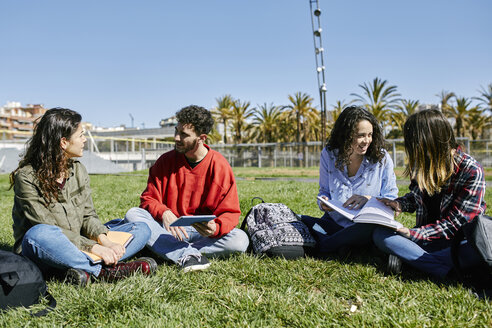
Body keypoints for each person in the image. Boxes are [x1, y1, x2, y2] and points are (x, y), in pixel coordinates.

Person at [11, 108, 156, 286]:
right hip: (47, 248)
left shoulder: (78, 169)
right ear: (63, 142)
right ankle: (103, 271)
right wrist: (94, 247)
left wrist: (106, 242)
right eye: (81, 135)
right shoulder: (26, 177)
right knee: (38, 234)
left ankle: (81, 268)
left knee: (141, 228)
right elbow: (46, 226)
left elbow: (88, 215)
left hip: (80, 244)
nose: (85, 140)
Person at [125, 105, 249, 272]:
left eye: (184, 135)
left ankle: (166, 249)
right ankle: (183, 252)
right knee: (133, 214)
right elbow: (148, 199)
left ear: (201, 138)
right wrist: (164, 212)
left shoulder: (220, 166)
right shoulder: (165, 161)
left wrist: (216, 228)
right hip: (167, 229)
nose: (176, 138)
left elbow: (230, 212)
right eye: (176, 131)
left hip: (201, 233)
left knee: (240, 240)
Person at [373, 109, 486, 278]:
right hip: (426, 240)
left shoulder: (470, 170)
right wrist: (399, 204)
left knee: (471, 252)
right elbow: (416, 198)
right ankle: (434, 265)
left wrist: (412, 234)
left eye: (414, 142)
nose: (411, 148)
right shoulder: (423, 164)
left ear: (430, 140)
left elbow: (456, 224)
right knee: (381, 235)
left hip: (458, 242)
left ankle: (417, 261)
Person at [301, 106, 398, 255]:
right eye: (361, 135)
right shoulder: (329, 154)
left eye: (370, 135)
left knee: (366, 230)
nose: (367, 141)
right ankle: (347, 245)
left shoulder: (382, 158)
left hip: (366, 225)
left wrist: (368, 199)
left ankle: (327, 245)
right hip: (335, 221)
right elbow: (324, 191)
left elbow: (392, 199)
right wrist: (323, 202)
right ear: (345, 135)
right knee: (303, 219)